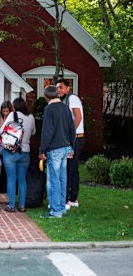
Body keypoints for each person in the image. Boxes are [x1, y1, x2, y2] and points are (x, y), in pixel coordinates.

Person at [39, 85, 76, 218]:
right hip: (65, 147)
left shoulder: (49, 109)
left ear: (46, 96)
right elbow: (72, 129)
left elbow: (47, 132)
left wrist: (42, 150)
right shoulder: (65, 108)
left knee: (54, 179)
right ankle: (61, 207)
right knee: (62, 179)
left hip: (53, 148)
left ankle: (55, 211)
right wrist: (71, 146)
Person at [0, 97, 36, 213]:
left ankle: (11, 206)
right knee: (22, 179)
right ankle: (22, 205)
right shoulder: (30, 117)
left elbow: (2, 131)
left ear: (15, 106)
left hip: (11, 150)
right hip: (25, 151)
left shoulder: (12, 115)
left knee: (11, 178)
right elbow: (33, 132)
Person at [57, 78, 84, 209]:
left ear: (68, 88)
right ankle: (73, 198)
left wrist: (69, 136)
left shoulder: (72, 99)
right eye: (57, 88)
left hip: (75, 139)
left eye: (61, 87)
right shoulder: (66, 101)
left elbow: (78, 117)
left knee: (69, 168)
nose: (59, 90)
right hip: (74, 138)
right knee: (72, 168)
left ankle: (68, 199)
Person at [0, 100, 13, 200]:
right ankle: (2, 188)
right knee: (1, 166)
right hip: (1, 144)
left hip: (10, 143)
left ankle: (8, 189)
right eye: (4, 111)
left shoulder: (13, 118)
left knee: (8, 168)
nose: (5, 113)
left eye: (7, 111)